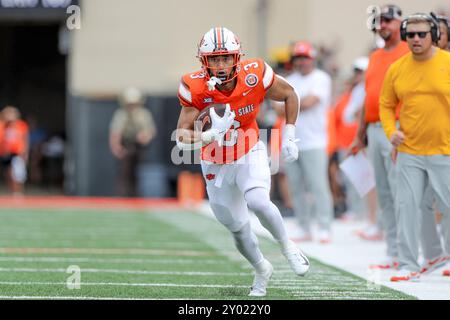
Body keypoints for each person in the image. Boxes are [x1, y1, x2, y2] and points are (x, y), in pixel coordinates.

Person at [175, 27, 310, 297]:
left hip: (249, 150)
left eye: (225, 57)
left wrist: (290, 136)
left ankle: (287, 246)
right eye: (214, 59)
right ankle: (261, 268)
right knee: (237, 227)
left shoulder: (254, 74)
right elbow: (180, 137)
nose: (220, 64)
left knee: (258, 201)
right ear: (204, 61)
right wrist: (210, 135)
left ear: (236, 57)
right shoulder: (195, 86)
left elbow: (290, 94)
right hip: (214, 162)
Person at [379, 13, 450, 281]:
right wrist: (390, 132)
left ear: (434, 35)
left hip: (445, 150)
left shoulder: (447, 63)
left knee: (448, 205)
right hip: (409, 150)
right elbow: (386, 104)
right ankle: (407, 264)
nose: (416, 39)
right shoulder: (397, 68)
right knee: (406, 206)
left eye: (422, 34)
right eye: (411, 35)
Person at [350, 4, 409, 269]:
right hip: (374, 129)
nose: (382, 25)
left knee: (401, 192)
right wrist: (359, 133)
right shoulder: (375, 57)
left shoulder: (408, 50)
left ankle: (409, 252)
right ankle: (394, 251)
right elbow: (368, 97)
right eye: (379, 21)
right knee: (384, 193)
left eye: (388, 20)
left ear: (399, 22)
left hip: (395, 127)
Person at [278, 41, 333, 244]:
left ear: (312, 59)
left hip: (314, 141)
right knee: (296, 186)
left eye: (305, 58)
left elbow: (311, 103)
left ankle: (325, 226)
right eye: (298, 58)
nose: (301, 62)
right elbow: (277, 107)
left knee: (318, 185)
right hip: (292, 140)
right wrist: (294, 102)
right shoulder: (289, 80)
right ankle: (303, 226)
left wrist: (290, 102)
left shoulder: (320, 78)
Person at [109, 87, 157, 197]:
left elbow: (150, 131)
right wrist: (117, 148)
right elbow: (115, 133)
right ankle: (124, 196)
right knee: (124, 174)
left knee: (140, 174)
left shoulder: (144, 114)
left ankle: (138, 197)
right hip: (126, 146)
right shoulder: (121, 114)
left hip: (140, 148)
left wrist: (144, 137)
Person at [0, 106, 29, 195]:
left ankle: (18, 192)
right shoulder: (2, 125)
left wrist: (25, 153)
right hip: (4, 153)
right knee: (8, 173)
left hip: (17, 153)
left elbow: (25, 140)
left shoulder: (21, 125)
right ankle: (12, 191)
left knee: (18, 174)